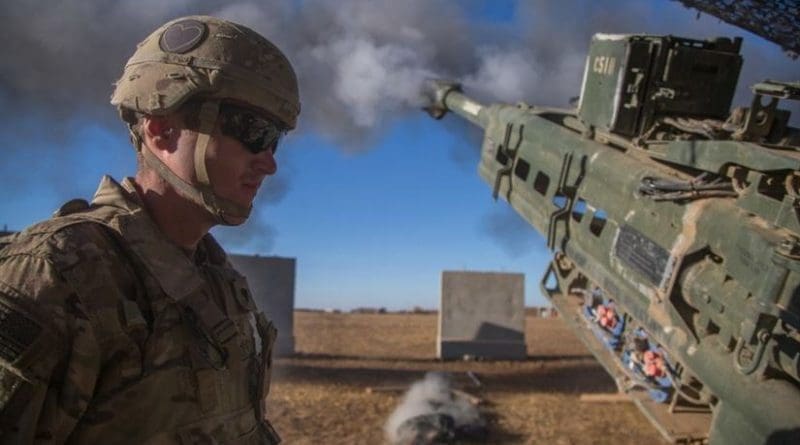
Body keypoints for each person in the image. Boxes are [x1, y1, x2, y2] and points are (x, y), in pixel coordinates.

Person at [0, 15, 299, 444]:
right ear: (162, 130)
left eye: (276, 141)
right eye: (254, 132)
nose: (269, 162)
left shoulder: (219, 280)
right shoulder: (57, 277)